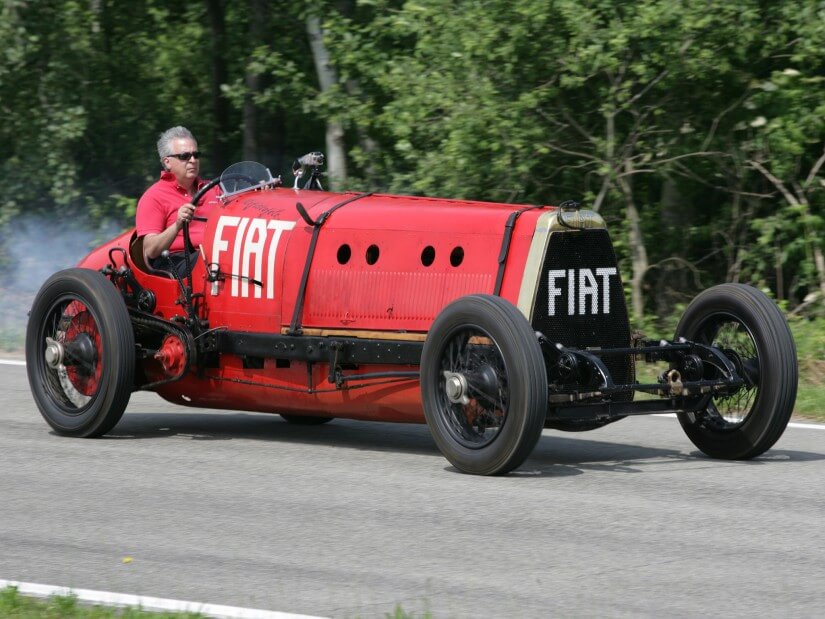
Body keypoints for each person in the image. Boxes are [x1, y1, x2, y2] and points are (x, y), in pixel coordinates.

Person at [136, 126, 220, 276]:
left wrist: (259, 192)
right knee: (214, 260)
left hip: (218, 254)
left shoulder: (214, 189)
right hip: (176, 261)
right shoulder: (153, 197)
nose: (193, 160)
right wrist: (177, 226)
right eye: (184, 156)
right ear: (167, 162)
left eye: (196, 155)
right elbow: (151, 250)